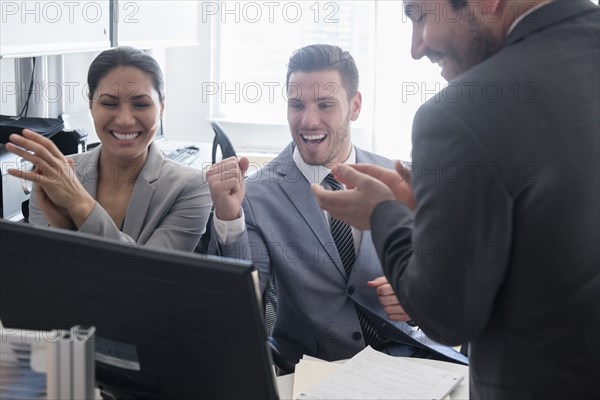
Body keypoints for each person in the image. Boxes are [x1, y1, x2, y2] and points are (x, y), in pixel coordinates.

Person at [314, 1, 599, 398]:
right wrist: (443, 215)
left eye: (421, 16)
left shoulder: (463, 113)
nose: (417, 47)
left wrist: (384, 213)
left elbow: (445, 316)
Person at [206, 44, 467, 364]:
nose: (308, 121)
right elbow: (241, 309)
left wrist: (416, 302)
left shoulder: (398, 178)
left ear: (355, 106)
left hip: (408, 359)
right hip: (314, 366)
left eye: (325, 105)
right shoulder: (257, 195)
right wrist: (228, 217)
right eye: (297, 105)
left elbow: (447, 287)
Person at [6, 46, 212, 251]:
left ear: (162, 107)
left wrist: (80, 205)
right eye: (109, 104)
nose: (124, 120)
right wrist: (62, 228)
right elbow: (41, 275)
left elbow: (148, 276)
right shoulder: (56, 175)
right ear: (90, 105)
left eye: (141, 104)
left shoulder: (192, 187)